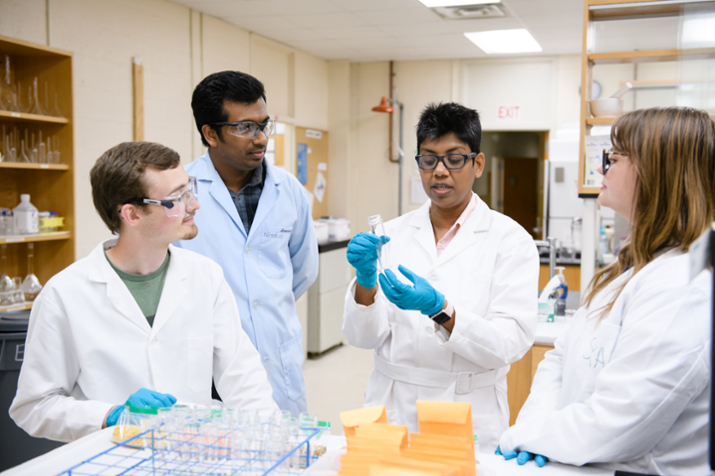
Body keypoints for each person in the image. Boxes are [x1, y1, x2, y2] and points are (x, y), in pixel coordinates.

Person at [10, 142, 277, 442]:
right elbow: (33, 406)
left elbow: (243, 378)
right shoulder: (64, 294)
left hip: (192, 455)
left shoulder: (206, 277)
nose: (194, 205)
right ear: (132, 215)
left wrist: (271, 440)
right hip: (111, 459)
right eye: (177, 198)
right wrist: (111, 415)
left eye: (190, 190)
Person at [498, 107, 715, 476]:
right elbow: (560, 358)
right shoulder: (632, 270)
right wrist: (534, 433)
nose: (603, 169)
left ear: (656, 172)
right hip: (571, 460)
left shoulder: (684, 285)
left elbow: (620, 422)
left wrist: (526, 437)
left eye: (614, 158)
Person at [343, 102, 539, 451]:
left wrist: (441, 309)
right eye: (428, 159)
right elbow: (362, 338)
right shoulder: (392, 233)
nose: (440, 171)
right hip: (393, 405)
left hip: (465, 407)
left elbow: (509, 345)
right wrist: (365, 284)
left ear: (477, 164)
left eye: (454, 158)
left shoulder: (511, 241)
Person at [173, 71, 318, 416]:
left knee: (284, 459)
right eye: (245, 128)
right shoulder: (180, 192)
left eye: (264, 125)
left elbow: (302, 269)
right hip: (206, 360)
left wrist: (263, 304)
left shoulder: (289, 191)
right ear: (210, 133)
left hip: (276, 354)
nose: (260, 138)